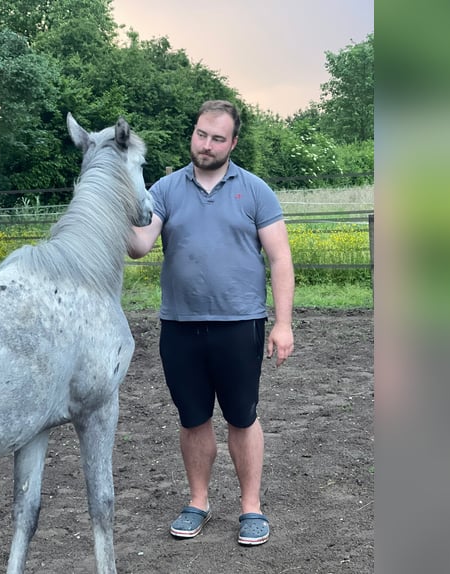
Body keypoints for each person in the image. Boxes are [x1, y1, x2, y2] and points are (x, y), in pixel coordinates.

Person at [128, 100, 295, 546]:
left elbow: (280, 259)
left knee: (242, 417)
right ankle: (198, 501)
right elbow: (140, 246)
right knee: (193, 418)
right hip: (180, 327)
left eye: (217, 138)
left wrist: (283, 324)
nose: (206, 144)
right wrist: (118, 199)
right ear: (194, 133)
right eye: (201, 134)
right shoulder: (164, 189)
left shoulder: (256, 190)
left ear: (233, 142)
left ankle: (251, 508)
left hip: (239, 325)